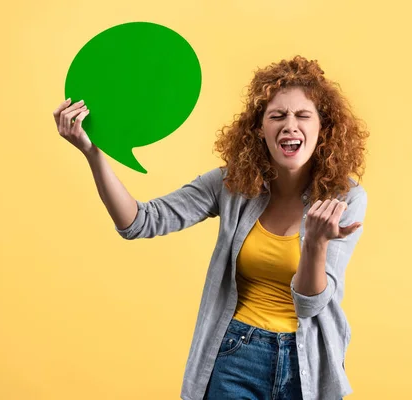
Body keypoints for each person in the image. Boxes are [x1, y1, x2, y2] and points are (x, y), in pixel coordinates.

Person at [52, 55, 369, 400]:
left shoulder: (345, 198)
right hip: (237, 356)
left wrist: (316, 245)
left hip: (308, 364)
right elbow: (139, 221)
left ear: (323, 127)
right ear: (259, 129)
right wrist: (92, 151)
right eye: (277, 116)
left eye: (303, 115)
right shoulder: (232, 184)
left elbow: (309, 306)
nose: (290, 125)